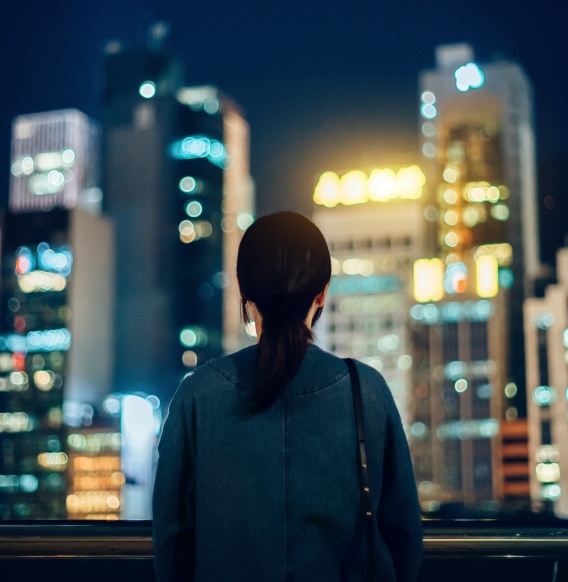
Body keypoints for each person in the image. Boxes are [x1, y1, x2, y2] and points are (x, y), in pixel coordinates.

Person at [153, 211, 423, 582]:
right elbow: (405, 538)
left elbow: (171, 544)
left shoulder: (197, 396)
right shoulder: (367, 390)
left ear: (243, 291)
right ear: (322, 292)